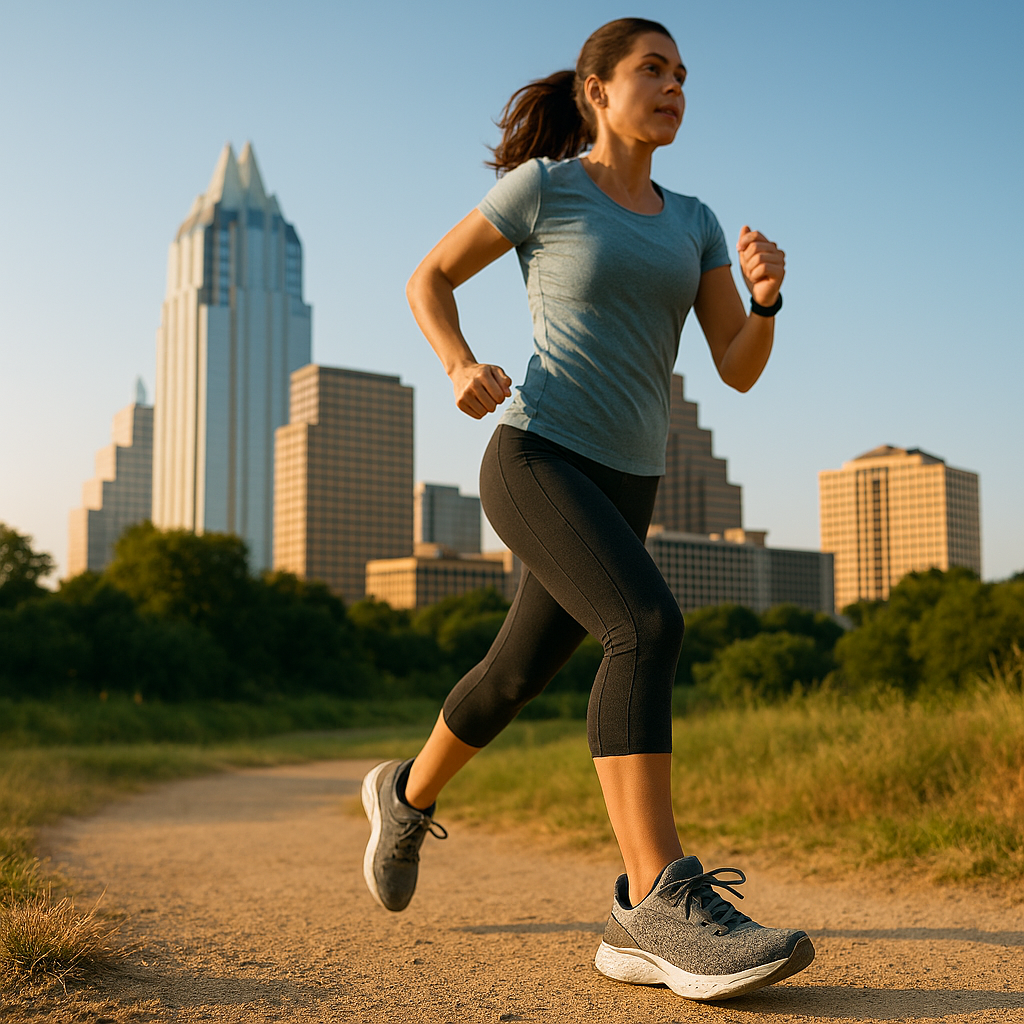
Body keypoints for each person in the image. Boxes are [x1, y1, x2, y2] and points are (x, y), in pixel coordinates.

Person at [361, 17, 813, 1002]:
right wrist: (458, 364)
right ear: (595, 91)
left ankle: (404, 795)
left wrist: (765, 300)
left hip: (628, 483)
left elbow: (735, 368)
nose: (674, 87)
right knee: (645, 624)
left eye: (684, 75)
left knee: (514, 673)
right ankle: (652, 900)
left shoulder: (692, 219)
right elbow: (427, 277)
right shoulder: (545, 189)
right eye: (652, 69)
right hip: (536, 456)